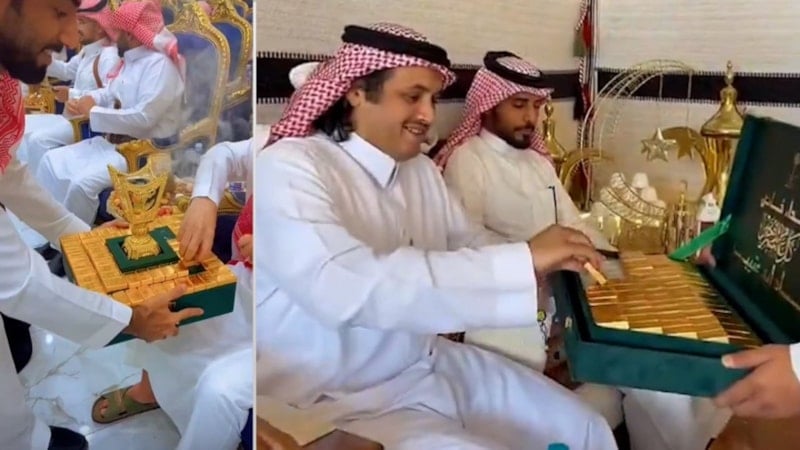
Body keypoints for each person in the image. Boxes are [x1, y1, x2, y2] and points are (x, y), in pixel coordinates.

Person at [254, 22, 616, 449]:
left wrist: (545, 258)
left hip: (426, 364)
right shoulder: (289, 167)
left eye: (432, 98)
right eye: (413, 97)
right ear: (355, 91)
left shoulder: (421, 171)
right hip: (331, 397)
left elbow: (467, 242)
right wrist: (523, 261)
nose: (428, 115)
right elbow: (344, 284)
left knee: (584, 427)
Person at [0, 1, 202, 448]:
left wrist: (83, 239)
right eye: (59, 12)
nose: (72, 38)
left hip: (146, 147)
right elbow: (18, 284)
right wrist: (131, 320)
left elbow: (5, 171)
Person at [35, 0, 185, 226]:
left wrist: (94, 112)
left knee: (81, 185)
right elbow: (110, 91)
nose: (115, 36)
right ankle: (44, 233)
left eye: (120, 32)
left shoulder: (159, 66)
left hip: (143, 153)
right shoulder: (130, 59)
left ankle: (74, 241)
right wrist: (91, 99)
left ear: (132, 35)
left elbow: (144, 118)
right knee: (49, 160)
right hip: (112, 143)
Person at [19, 0, 120, 176]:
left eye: (82, 22)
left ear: (99, 27)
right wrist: (39, 56)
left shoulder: (109, 57)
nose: (76, 27)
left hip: (87, 125)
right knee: (23, 125)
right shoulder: (87, 51)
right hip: (69, 118)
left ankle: (38, 187)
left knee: (38, 141)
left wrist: (72, 94)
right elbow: (66, 71)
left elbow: (111, 98)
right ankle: (23, 182)